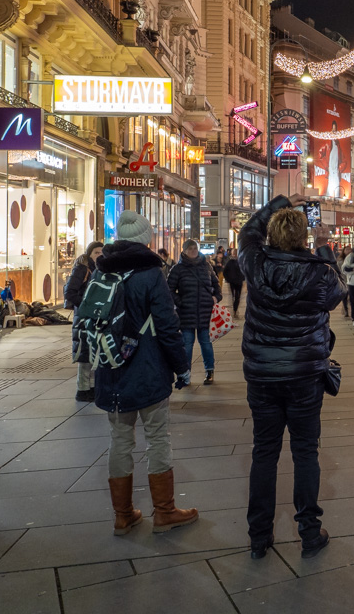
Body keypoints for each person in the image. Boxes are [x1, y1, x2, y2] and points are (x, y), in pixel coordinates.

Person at [239, 194, 346, 561]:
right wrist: (324, 246)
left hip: (262, 374)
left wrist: (280, 202)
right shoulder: (318, 271)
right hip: (304, 375)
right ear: (303, 238)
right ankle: (309, 533)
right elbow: (339, 292)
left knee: (264, 452)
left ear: (270, 236)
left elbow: (246, 232)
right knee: (305, 452)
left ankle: (258, 535)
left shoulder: (255, 262)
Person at [81, 210, 197, 536]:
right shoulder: (150, 274)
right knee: (158, 438)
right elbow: (168, 325)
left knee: (119, 441)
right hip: (147, 369)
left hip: (111, 371)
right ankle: (164, 511)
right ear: (145, 238)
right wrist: (181, 367)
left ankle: (123, 515)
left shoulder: (100, 272)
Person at [167, 240, 222, 385]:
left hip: (205, 311)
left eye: (194, 248)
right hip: (186, 313)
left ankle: (209, 371)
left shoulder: (206, 266)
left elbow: (216, 285)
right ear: (184, 251)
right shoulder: (177, 269)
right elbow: (169, 290)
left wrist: (216, 297)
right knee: (187, 344)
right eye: (189, 249)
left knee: (206, 343)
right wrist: (180, 302)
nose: (193, 251)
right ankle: (185, 374)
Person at [66, 240, 104, 402]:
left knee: (94, 353)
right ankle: (82, 389)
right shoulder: (82, 269)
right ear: (89, 254)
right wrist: (85, 304)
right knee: (85, 354)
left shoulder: (101, 270)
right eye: (96, 252)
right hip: (83, 318)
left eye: (102, 253)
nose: (99, 255)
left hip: (95, 318)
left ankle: (93, 388)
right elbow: (70, 292)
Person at [222, 253, 246, 319]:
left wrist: (228, 279)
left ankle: (234, 310)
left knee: (234, 296)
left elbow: (225, 272)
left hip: (233, 282)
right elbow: (244, 271)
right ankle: (235, 310)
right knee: (237, 297)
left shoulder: (230, 263)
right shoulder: (241, 262)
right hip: (237, 282)